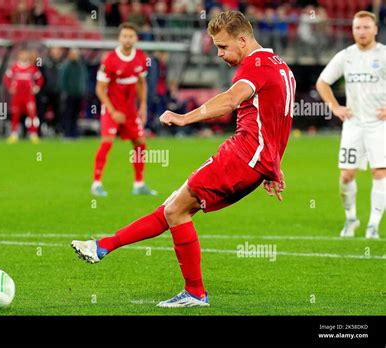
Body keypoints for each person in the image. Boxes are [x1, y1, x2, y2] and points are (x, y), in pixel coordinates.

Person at [72, 10, 295, 307]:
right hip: (254, 161)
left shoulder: (254, 66)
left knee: (176, 211)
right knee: (174, 207)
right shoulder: (280, 66)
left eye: (223, 47)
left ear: (243, 40)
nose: (219, 54)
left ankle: (194, 293)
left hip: (242, 156)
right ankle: (102, 246)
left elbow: (230, 100)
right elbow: (278, 119)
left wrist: (184, 117)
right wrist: (272, 166)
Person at [316, 11, 385, 240]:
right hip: (354, 124)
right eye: (357, 28)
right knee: (346, 175)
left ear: (375, 29)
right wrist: (335, 107)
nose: (362, 32)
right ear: (352, 30)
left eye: (366, 27)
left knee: (380, 172)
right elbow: (322, 83)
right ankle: (351, 218)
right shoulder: (346, 56)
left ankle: (373, 225)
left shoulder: (384, 54)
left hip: (379, 124)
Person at [91, 22, 157, 197]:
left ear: (135, 38)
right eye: (124, 36)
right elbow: (99, 89)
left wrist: (142, 106)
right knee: (106, 143)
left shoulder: (141, 58)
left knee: (141, 143)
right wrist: (112, 111)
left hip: (130, 112)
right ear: (119, 38)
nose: (127, 39)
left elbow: (142, 84)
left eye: (131, 36)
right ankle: (96, 183)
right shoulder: (110, 60)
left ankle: (139, 184)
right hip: (112, 110)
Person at [4, 48, 44, 144]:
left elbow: (40, 79)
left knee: (32, 115)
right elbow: (6, 78)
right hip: (17, 96)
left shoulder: (32, 68)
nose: (24, 57)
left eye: (25, 55)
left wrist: (36, 88)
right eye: (22, 55)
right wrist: (10, 88)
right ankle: (14, 135)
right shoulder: (14, 67)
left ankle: (33, 134)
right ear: (19, 56)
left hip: (29, 96)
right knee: (15, 115)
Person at [60, 48, 88, 139]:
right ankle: (67, 133)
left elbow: (84, 79)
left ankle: (74, 133)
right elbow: (63, 80)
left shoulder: (81, 65)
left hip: (79, 94)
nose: (75, 56)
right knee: (68, 114)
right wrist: (66, 91)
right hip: (69, 94)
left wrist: (83, 90)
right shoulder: (67, 66)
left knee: (76, 114)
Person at [39, 47, 63, 135]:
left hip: (58, 92)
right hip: (47, 91)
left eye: (58, 51)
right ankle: (39, 131)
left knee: (58, 112)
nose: (56, 53)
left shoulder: (62, 63)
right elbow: (41, 77)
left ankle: (57, 130)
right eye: (54, 51)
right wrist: (41, 91)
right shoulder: (45, 63)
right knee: (42, 112)